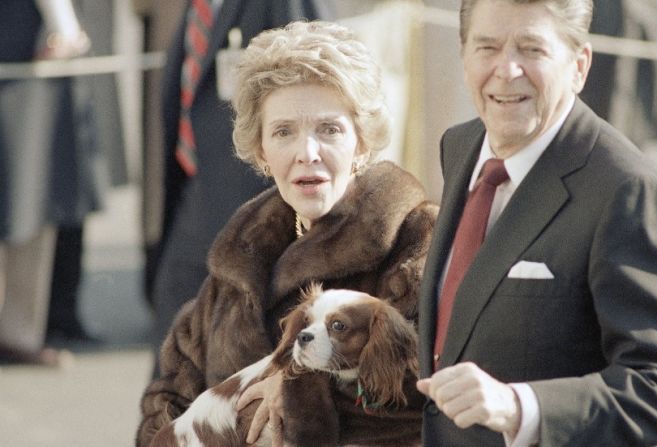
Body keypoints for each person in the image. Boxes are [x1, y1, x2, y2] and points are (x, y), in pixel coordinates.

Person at [415, 1, 657, 445]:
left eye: (531, 49)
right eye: (487, 47)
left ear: (579, 66)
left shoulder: (627, 191)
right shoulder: (460, 147)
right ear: (463, 52)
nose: (506, 69)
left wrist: (520, 408)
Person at [136, 21, 438, 446]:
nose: (306, 153)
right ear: (261, 151)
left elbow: (421, 391)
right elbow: (167, 395)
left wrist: (297, 387)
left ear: (363, 142)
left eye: (329, 130)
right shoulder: (237, 263)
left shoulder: (416, 241)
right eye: (283, 132)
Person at [147, 0, 331, 374]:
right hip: (197, 187)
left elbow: (313, 76)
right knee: (174, 345)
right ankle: (167, 428)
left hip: (252, 203)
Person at [0, 0, 96, 365]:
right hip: (28, 52)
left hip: (30, 54)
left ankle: (18, 330)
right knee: (28, 191)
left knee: (30, 194)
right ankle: (17, 330)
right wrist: (66, 27)